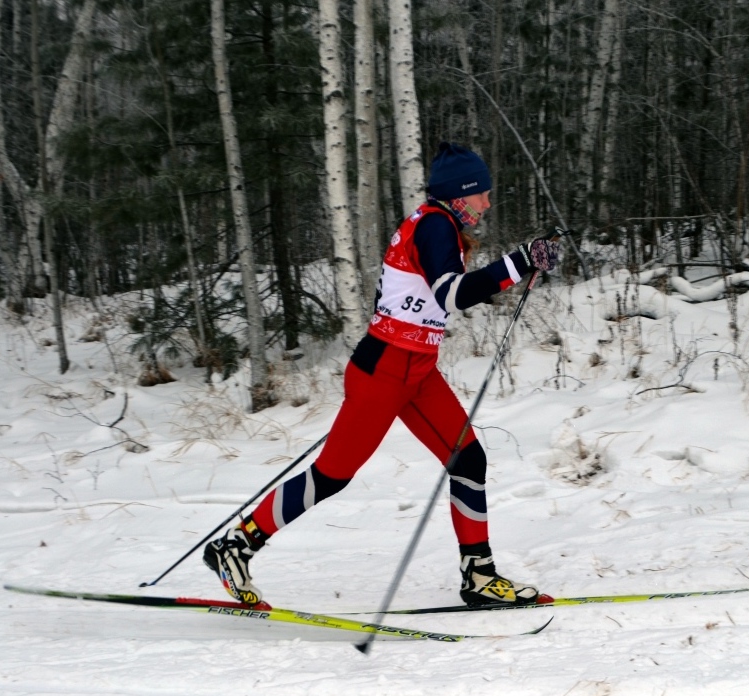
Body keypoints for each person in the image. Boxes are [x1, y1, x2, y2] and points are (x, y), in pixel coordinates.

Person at [204, 142, 560, 607]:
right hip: (385, 371)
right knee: (331, 475)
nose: (487, 204)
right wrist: (519, 261)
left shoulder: (441, 225)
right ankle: (236, 546)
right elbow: (452, 296)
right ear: (460, 194)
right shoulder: (434, 226)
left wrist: (520, 265)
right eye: (482, 195)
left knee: (468, 461)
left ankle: (479, 576)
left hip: (417, 371)